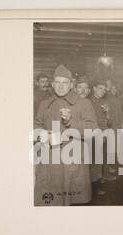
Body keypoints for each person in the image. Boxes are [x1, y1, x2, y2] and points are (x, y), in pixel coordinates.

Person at [34, 65, 98, 206]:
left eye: (65, 83)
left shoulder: (84, 103)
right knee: (49, 203)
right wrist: (42, 134)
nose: (61, 86)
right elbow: (36, 125)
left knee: (72, 206)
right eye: (58, 82)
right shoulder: (45, 104)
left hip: (73, 163)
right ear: (52, 84)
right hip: (50, 163)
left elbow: (93, 129)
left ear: (71, 85)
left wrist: (71, 122)